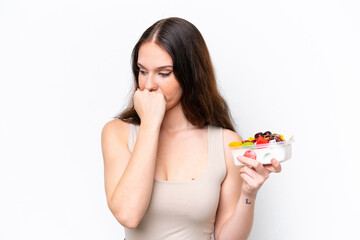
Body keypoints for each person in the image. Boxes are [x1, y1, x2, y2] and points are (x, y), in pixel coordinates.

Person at [101, 17, 282, 240]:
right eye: (142, 71)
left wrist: (249, 194)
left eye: (164, 73)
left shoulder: (225, 143)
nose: (148, 86)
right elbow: (128, 215)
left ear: (190, 74)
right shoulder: (117, 133)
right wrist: (149, 124)